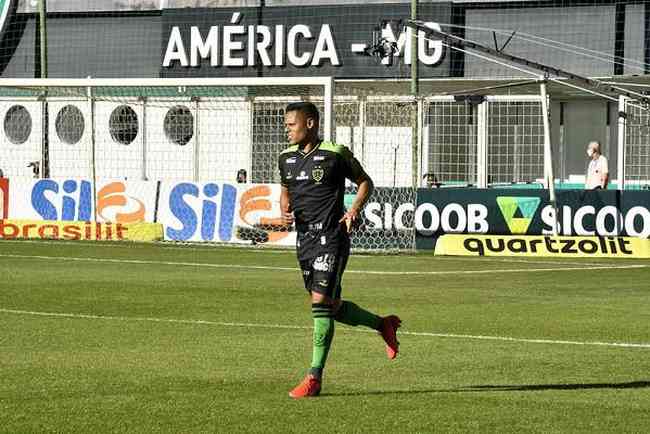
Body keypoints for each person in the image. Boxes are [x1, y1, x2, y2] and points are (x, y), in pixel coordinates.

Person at [278, 102, 401, 399]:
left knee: (319, 304)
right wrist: (284, 207)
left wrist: (354, 210)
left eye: (291, 124)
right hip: (304, 240)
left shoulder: (336, 153)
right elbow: (285, 188)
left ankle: (314, 378)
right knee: (330, 307)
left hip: (332, 237)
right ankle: (382, 324)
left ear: (310, 124)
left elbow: (364, 182)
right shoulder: (285, 158)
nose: (286, 129)